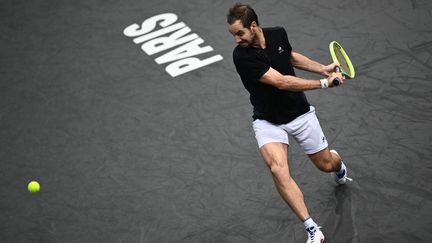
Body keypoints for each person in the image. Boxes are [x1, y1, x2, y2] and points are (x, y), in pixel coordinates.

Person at [227, 3, 352, 243]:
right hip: (267, 121)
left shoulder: (277, 33)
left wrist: (322, 68)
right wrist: (324, 83)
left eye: (239, 33)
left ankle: (338, 165)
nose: (236, 39)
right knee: (278, 169)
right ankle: (313, 228)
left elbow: (290, 57)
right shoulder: (242, 57)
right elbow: (282, 82)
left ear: (253, 26)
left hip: (300, 114)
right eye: (233, 35)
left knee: (326, 164)